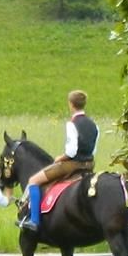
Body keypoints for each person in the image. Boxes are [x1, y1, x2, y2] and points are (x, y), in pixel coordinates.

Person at [28, 90, 98, 237]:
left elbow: (71, 151)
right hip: (89, 164)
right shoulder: (94, 125)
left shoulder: (72, 124)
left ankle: (34, 221)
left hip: (73, 164)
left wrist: (61, 157)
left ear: (71, 104)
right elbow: (94, 149)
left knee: (33, 180)